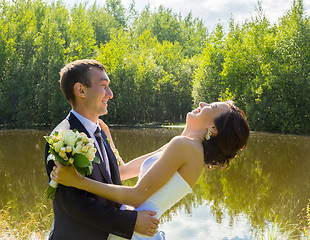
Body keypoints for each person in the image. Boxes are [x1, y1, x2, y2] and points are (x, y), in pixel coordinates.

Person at [50, 99, 250, 239]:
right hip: (133, 227)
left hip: (133, 231)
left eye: (211, 106)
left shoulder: (185, 147)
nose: (202, 104)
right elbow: (123, 171)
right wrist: (107, 138)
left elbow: (136, 196)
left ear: (213, 129)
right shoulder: (184, 145)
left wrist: (78, 181)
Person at [44, 59, 160, 240]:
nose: (110, 94)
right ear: (81, 90)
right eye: (104, 86)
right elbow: (76, 206)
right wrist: (131, 221)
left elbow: (113, 180)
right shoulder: (62, 138)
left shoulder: (100, 131)